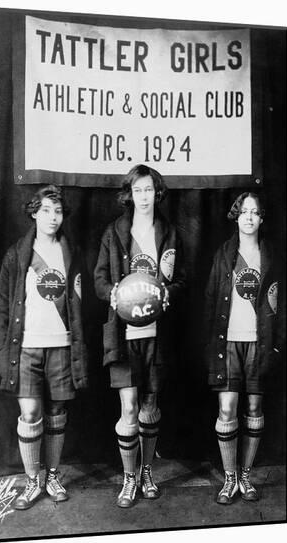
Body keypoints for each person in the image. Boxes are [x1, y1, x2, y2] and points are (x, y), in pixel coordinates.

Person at [94, 164, 186, 508]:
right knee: (129, 407)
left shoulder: (169, 232)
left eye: (149, 190)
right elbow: (99, 279)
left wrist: (166, 294)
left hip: (157, 334)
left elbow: (182, 280)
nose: (144, 196)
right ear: (129, 195)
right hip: (123, 334)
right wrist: (115, 293)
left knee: (150, 405)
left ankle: (147, 471)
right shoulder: (114, 232)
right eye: (138, 190)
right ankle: (129, 478)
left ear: (156, 193)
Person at [0, 185, 88, 510]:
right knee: (30, 413)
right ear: (34, 212)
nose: (52, 217)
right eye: (45, 210)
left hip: (61, 347)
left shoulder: (70, 251)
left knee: (57, 412)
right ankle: (33, 480)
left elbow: (78, 302)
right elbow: (1, 306)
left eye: (57, 211)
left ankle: (53, 476)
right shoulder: (18, 254)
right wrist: (5, 352)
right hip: (26, 348)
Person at [204, 192, 285, 505]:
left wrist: (277, 346)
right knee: (227, 408)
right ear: (235, 217)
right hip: (228, 344)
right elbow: (211, 302)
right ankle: (229, 478)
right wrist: (211, 348)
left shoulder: (273, 257)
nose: (249, 218)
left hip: (258, 344)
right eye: (244, 212)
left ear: (262, 218)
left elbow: (283, 306)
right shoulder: (223, 255)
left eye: (255, 212)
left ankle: (246, 475)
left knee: (253, 409)